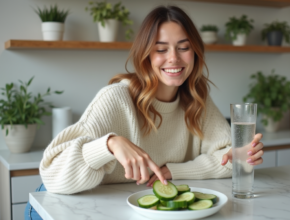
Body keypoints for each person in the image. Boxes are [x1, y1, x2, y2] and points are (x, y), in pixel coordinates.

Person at [25, 5, 264, 219]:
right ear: (146, 55)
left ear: (195, 53)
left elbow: (228, 159)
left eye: (183, 47)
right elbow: (51, 173)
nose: (174, 58)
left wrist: (174, 171)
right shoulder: (116, 98)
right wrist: (109, 144)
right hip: (53, 204)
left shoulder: (197, 99)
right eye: (161, 50)